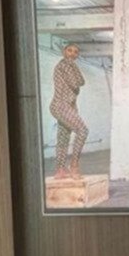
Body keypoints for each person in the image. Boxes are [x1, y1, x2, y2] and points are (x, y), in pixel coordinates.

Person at [49, 43, 89, 179]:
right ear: (64, 51)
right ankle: (74, 165)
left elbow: (82, 81)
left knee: (63, 138)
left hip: (65, 106)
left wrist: (75, 68)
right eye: (69, 50)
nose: (72, 53)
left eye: (75, 52)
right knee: (83, 131)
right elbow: (76, 83)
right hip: (61, 105)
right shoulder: (64, 65)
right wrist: (74, 67)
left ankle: (60, 170)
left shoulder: (70, 66)